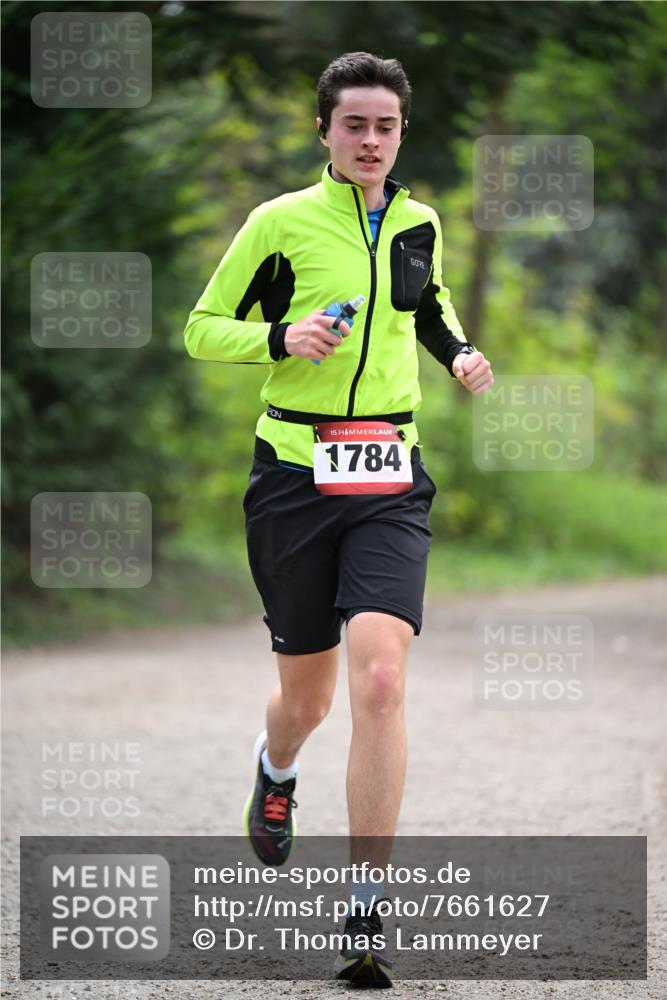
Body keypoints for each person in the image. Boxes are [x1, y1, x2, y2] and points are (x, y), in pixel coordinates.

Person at [184, 51, 494, 987]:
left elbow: (424, 301)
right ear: (324, 130)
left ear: (401, 135)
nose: (369, 140)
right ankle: (276, 768)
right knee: (308, 700)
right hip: (293, 475)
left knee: (384, 681)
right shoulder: (277, 223)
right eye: (353, 124)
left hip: (389, 474)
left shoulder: (418, 219)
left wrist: (461, 354)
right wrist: (281, 337)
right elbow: (202, 327)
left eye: (385, 126)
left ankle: (364, 910)